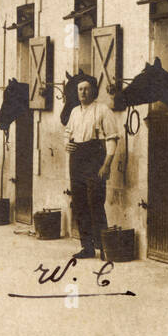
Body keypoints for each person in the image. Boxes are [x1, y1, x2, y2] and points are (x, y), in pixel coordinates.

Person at [63, 78, 120, 258]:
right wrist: (67, 144)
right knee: (79, 203)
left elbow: (112, 138)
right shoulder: (74, 112)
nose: (83, 92)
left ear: (93, 91)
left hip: (95, 159)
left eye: (86, 89)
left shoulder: (103, 110)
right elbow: (67, 133)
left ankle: (104, 248)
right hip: (76, 159)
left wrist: (106, 165)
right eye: (80, 89)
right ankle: (87, 247)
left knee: (95, 202)